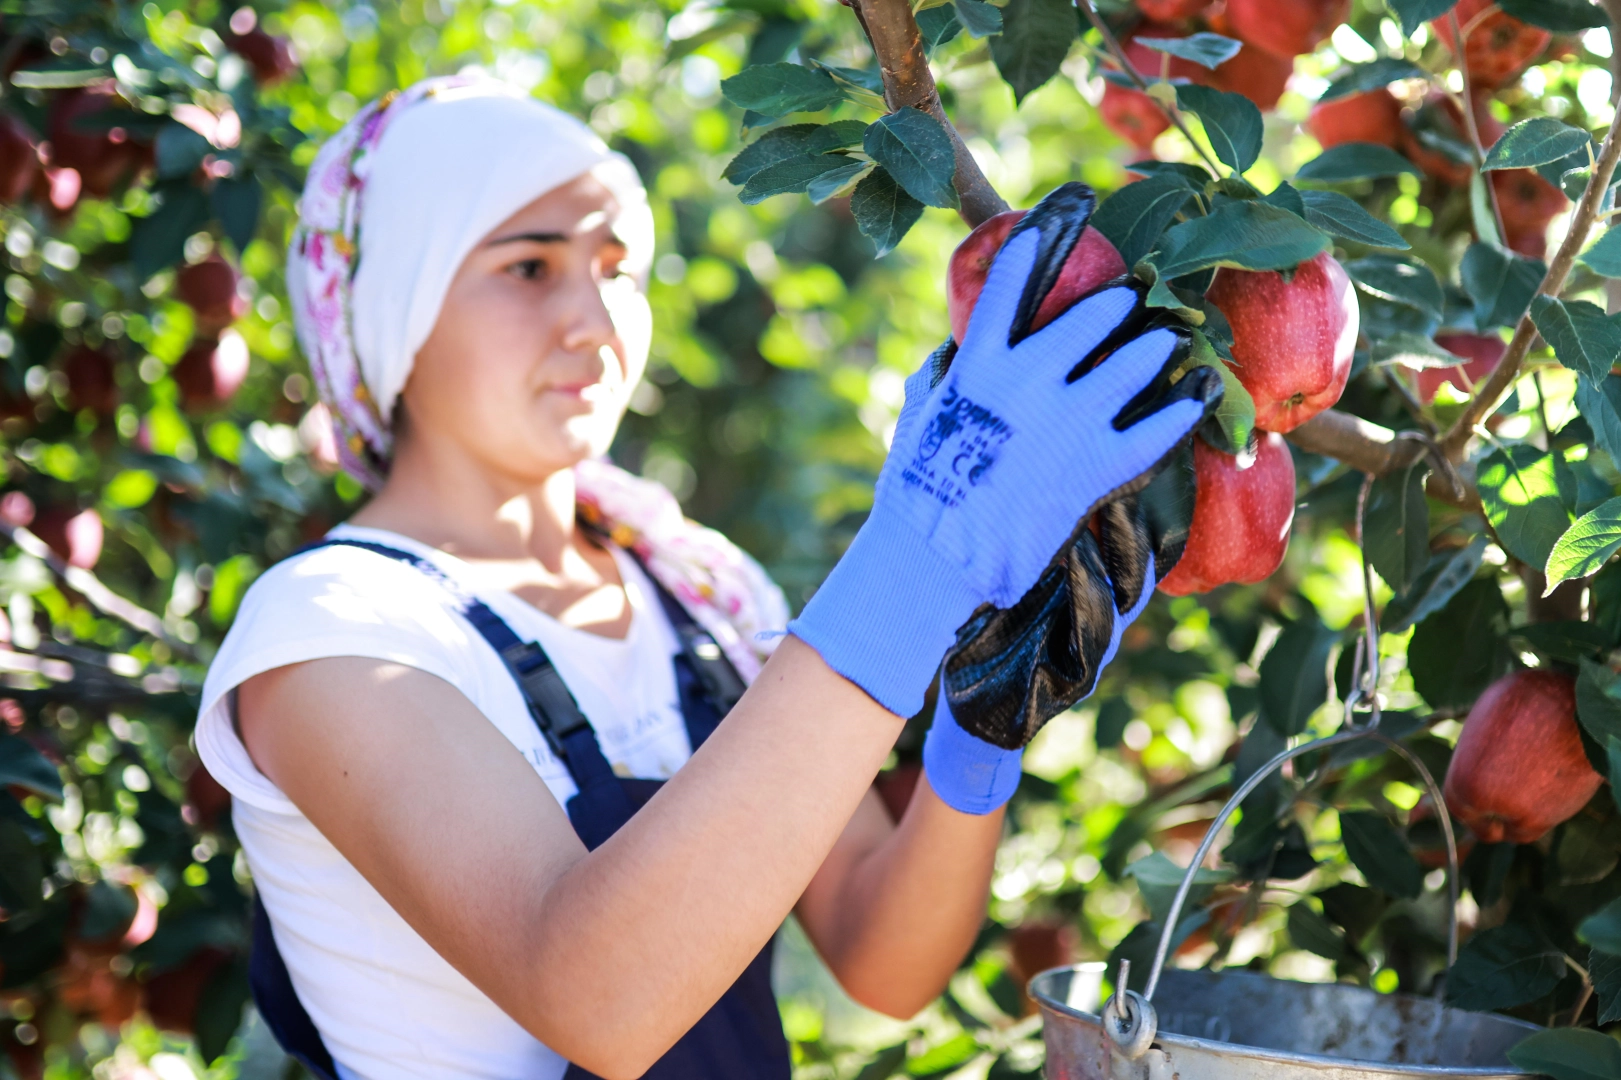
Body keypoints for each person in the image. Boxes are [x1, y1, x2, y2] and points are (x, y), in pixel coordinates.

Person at [194, 74, 1212, 1080]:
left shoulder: (696, 596)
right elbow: (596, 996)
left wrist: (976, 738)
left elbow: (879, 956)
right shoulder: (333, 632)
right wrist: (916, 557)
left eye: (616, 267)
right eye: (528, 268)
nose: (592, 322)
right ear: (396, 305)